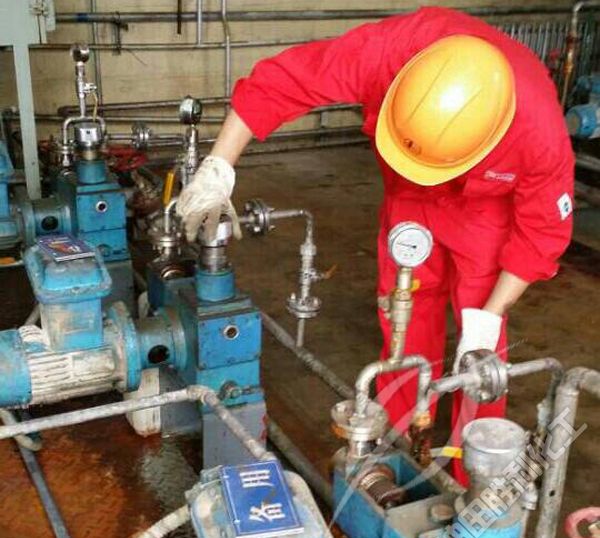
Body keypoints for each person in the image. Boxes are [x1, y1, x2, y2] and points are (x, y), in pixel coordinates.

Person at [176, 7, 574, 484]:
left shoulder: (538, 131)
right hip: (410, 187)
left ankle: (475, 474)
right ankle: (395, 449)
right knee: (406, 314)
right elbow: (281, 82)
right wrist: (219, 167)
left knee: (481, 352)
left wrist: (489, 318)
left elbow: (541, 235)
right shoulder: (384, 54)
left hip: (486, 207)